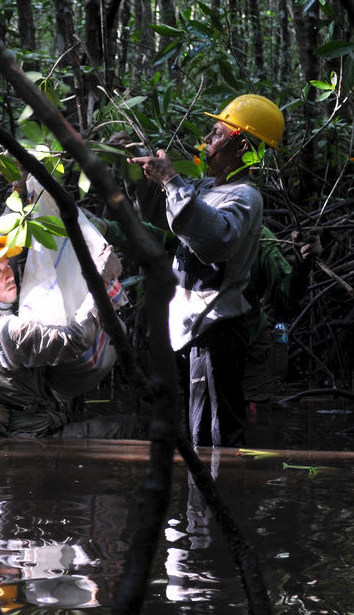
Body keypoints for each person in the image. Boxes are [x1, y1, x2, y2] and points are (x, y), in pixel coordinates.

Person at [129, 94, 284, 447]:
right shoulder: (205, 189)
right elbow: (161, 213)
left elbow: (214, 238)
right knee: (199, 426)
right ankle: (204, 499)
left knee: (216, 432)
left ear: (241, 144)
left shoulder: (245, 196)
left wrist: (171, 181)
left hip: (218, 329)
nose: (206, 141)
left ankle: (218, 494)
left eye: (215, 133)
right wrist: (142, 172)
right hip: (196, 328)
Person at [0, 229, 142, 438]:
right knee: (132, 428)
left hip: (3, 437)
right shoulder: (4, 333)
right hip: (29, 441)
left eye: (7, 265)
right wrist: (98, 284)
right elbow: (76, 339)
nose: (9, 275)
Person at [242, 226, 321, 403]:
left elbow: (286, 302)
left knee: (255, 421)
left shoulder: (258, 234)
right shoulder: (180, 225)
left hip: (250, 346)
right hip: (197, 348)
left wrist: (304, 262)